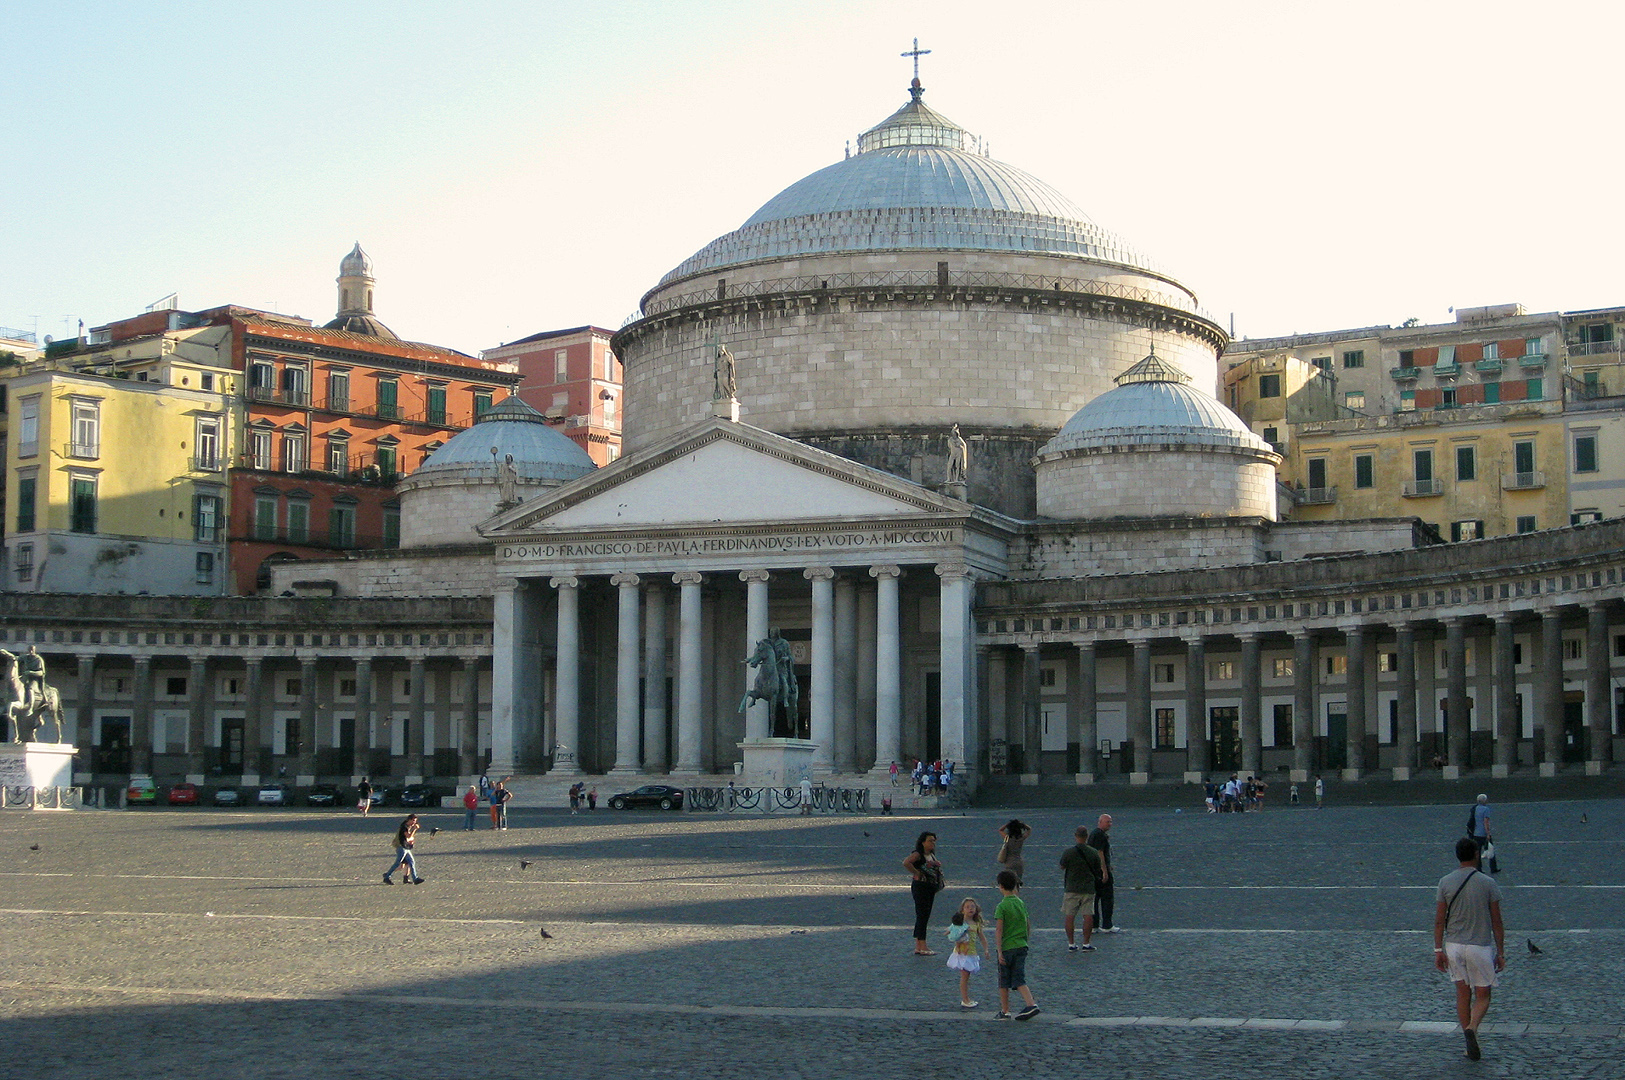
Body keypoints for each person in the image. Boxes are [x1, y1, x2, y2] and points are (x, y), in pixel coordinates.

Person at [1434, 836, 1505, 1061]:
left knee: (1462, 993)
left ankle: (1468, 1046)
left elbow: (1438, 920)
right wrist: (1501, 952)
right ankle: (1472, 1029)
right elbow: (1497, 922)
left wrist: (1438, 950)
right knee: (1483, 995)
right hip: (1479, 946)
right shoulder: (1488, 883)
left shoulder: (1445, 882)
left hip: (1454, 945)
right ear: (1476, 854)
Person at [992, 869, 1040, 1020]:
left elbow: (999, 930)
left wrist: (999, 951)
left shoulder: (1002, 906)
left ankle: (1006, 1010)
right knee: (1019, 978)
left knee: (1004, 980)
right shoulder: (1020, 903)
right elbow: (1027, 924)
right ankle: (1030, 1003)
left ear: (1000, 886)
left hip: (1007, 947)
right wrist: (1025, 940)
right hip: (1021, 945)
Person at [1059, 825, 1103, 952]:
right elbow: (1097, 867)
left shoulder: (1068, 852)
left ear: (1075, 836)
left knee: (1069, 916)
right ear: (1086, 836)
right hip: (1088, 887)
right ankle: (1086, 943)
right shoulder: (1093, 852)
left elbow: (1062, 866)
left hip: (1071, 887)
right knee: (1088, 915)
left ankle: (1071, 944)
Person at [902, 831, 944, 956]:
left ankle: (918, 946)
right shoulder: (918, 854)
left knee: (923, 915)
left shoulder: (930, 854)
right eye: (930, 840)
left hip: (929, 887)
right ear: (923, 842)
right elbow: (906, 862)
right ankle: (923, 945)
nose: (933, 843)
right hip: (921, 887)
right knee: (922, 916)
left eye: (934, 841)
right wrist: (917, 873)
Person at [945, 897, 989, 1009]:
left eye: (972, 907)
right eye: (967, 907)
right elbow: (953, 929)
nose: (970, 909)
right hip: (962, 953)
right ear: (963, 910)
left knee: (966, 976)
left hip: (971, 952)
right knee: (965, 976)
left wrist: (986, 949)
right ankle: (965, 999)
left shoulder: (976, 923)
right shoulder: (961, 922)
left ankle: (966, 998)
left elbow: (982, 937)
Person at [1087, 814, 1119, 933]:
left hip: (1093, 872)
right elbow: (1100, 853)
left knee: (1095, 899)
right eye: (1107, 822)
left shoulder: (1094, 834)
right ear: (1100, 822)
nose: (1110, 824)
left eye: (1110, 822)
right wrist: (1105, 871)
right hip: (1100, 873)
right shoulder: (1100, 835)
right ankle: (1107, 925)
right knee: (1107, 898)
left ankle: (1094, 925)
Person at [383, 813, 424, 885]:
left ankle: (415, 878)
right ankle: (387, 876)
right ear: (409, 820)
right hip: (401, 847)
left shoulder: (407, 826)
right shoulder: (404, 827)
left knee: (411, 862)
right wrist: (414, 829)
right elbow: (408, 836)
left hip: (406, 847)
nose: (415, 822)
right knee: (398, 863)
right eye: (414, 820)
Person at [996, 819, 1030, 887]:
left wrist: (1008, 824)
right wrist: (1022, 824)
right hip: (1018, 862)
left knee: (1010, 883)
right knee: (1017, 883)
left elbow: (1000, 830)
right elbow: (1029, 829)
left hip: (1009, 862)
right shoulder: (1021, 838)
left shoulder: (1007, 838)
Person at [1468, 793, 1492, 859]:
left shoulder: (1475, 809)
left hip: (1476, 833)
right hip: (1483, 833)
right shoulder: (1486, 809)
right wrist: (1488, 833)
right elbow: (1486, 822)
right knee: (1491, 851)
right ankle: (1493, 868)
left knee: (1477, 852)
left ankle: (1478, 867)